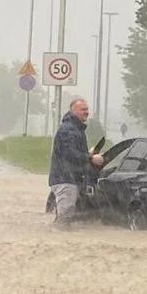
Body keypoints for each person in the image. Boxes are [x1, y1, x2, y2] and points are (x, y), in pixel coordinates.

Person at [48, 98, 104, 228]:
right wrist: (90, 158)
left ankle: (57, 239)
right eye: (83, 110)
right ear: (73, 111)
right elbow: (69, 154)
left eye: (87, 109)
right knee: (65, 218)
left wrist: (88, 154)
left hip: (68, 178)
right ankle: (58, 241)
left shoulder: (75, 129)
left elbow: (71, 152)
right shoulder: (69, 130)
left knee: (65, 217)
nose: (86, 112)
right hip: (65, 179)